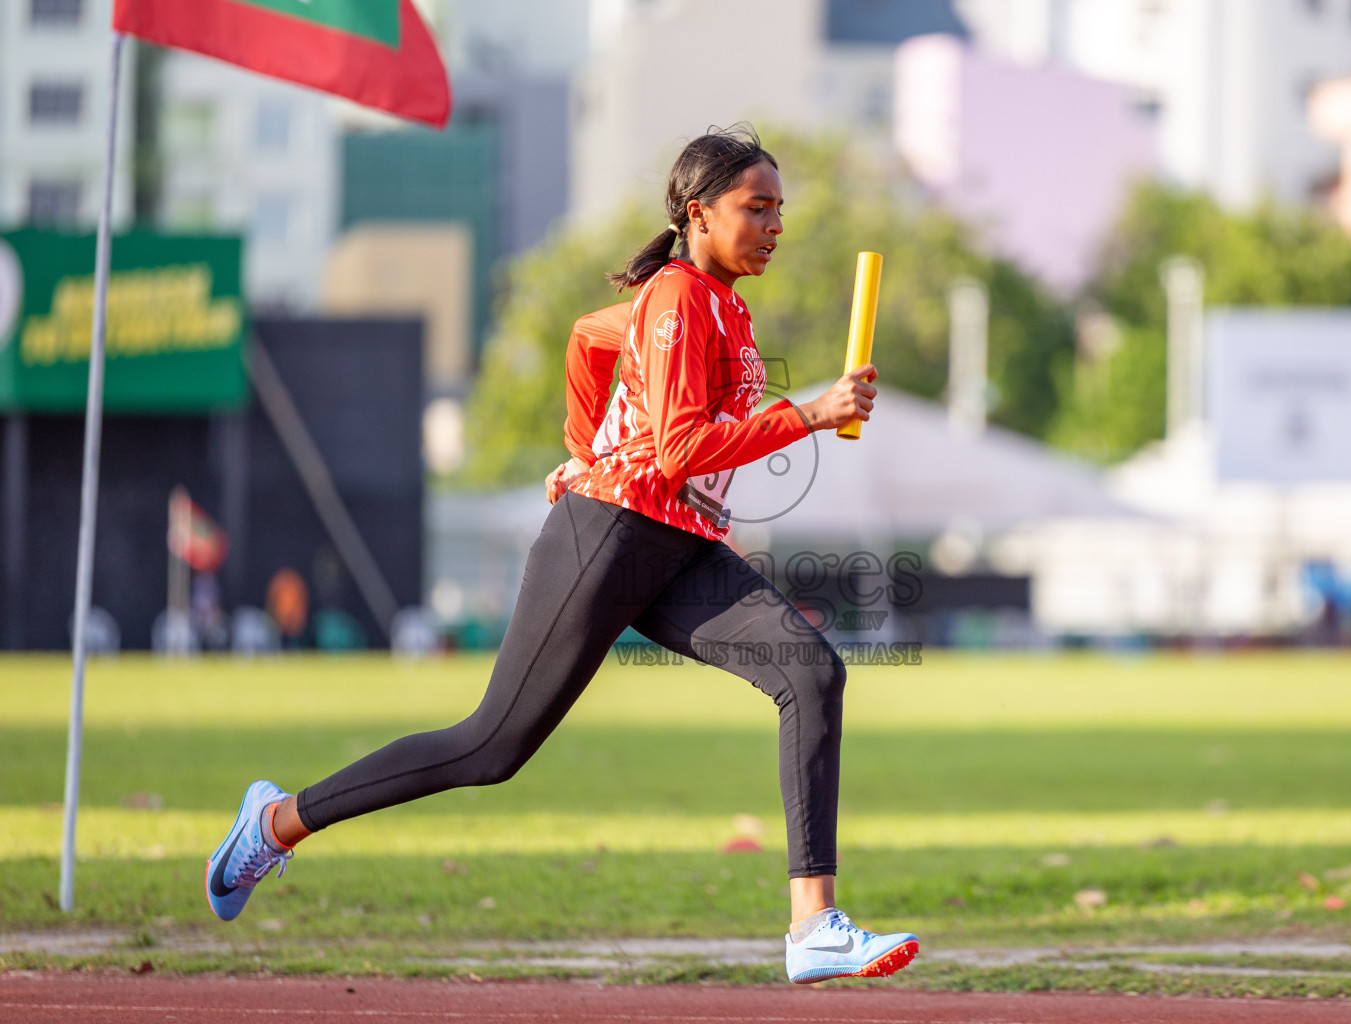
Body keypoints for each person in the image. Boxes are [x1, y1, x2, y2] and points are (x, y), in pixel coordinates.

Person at [204, 125, 918, 985]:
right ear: (698, 213)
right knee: (488, 749)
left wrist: (584, 443)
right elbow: (685, 446)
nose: (773, 224)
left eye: (779, 210)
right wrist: (806, 412)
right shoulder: (681, 297)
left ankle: (814, 926)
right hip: (607, 535)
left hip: (681, 547)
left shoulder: (723, 305)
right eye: (755, 208)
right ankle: (275, 823)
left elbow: (588, 336)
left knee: (810, 672)